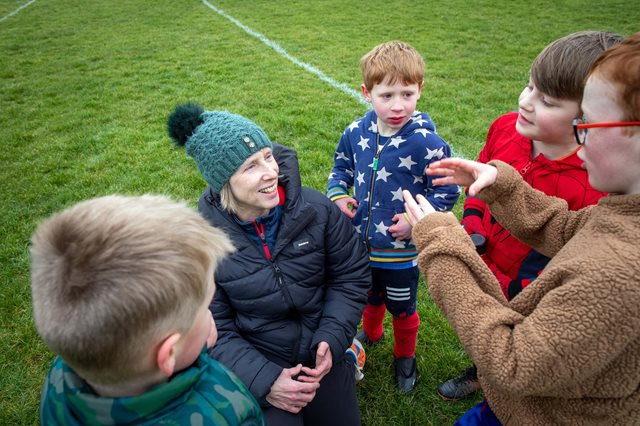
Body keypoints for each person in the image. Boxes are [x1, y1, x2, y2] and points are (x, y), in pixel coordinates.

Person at [403, 31, 640, 425]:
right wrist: (504, 186)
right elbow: (567, 228)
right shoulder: (625, 215)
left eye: (590, 124)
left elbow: (513, 361)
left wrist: (442, 244)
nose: (580, 141)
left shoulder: (619, 271)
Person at [168, 104, 370, 425]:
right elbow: (214, 327)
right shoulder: (201, 245)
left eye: (268, 155)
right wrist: (266, 380)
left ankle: (349, 355)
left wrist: (332, 337)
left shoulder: (316, 209)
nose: (271, 171)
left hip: (323, 349)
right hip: (259, 360)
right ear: (224, 183)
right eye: (251, 166)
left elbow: (351, 275)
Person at [31, 195, 264, 425]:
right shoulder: (224, 414)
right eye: (204, 309)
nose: (211, 315)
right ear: (169, 353)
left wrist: (195, 341)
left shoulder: (67, 375)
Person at [326, 40, 460, 393]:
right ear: (367, 93)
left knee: (402, 307)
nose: (398, 105)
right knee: (368, 296)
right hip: (358, 246)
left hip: (401, 253)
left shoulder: (427, 143)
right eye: (386, 95)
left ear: (420, 90)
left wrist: (418, 221)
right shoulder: (355, 132)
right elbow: (340, 168)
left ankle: (405, 358)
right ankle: (370, 333)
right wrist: (338, 195)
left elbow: (447, 191)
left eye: (407, 93)